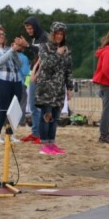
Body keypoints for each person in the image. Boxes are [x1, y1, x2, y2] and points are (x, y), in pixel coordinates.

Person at [34, 22, 73, 155]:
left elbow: (68, 70)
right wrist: (57, 53)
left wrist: (69, 88)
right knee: (46, 115)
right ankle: (44, 144)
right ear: (52, 34)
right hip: (46, 89)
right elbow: (45, 64)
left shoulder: (66, 50)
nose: (59, 36)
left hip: (59, 91)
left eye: (62, 34)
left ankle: (52, 143)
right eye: (57, 33)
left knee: (55, 117)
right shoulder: (44, 47)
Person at [0, 26, 23, 144]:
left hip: (15, 79)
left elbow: (19, 64)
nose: (1, 36)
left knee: (15, 108)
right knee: (3, 107)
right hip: (1, 79)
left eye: (3, 34)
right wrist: (11, 51)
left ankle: (10, 134)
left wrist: (15, 50)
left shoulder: (8, 48)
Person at [19, 17, 48, 144]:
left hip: (41, 76)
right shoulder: (36, 38)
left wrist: (28, 45)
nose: (29, 31)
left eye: (30, 28)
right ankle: (36, 133)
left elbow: (44, 53)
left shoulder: (45, 37)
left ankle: (39, 134)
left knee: (38, 106)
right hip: (34, 74)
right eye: (27, 28)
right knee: (33, 106)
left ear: (36, 26)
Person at [16, 46, 30, 126]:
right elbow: (25, 72)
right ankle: (21, 121)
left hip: (10, 82)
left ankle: (9, 121)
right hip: (20, 83)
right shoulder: (24, 58)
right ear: (23, 49)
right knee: (22, 103)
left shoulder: (9, 56)